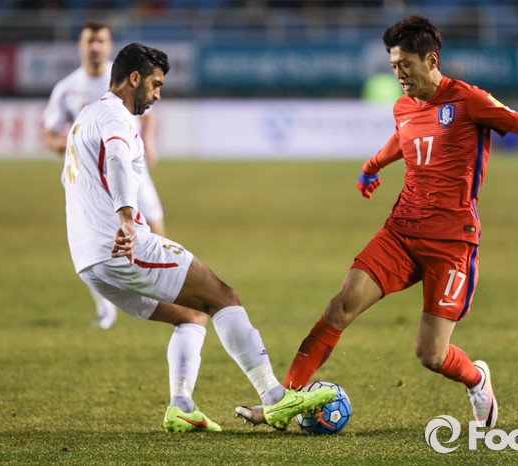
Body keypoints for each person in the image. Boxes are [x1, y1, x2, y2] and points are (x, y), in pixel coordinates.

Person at [235, 15, 518, 429]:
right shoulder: (403, 107)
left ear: (431, 60)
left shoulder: (469, 100)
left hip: (451, 242)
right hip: (401, 232)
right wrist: (371, 167)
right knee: (339, 307)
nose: (399, 74)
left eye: (405, 64)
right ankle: (282, 402)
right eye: (393, 65)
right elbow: (403, 139)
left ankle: (476, 379)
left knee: (431, 354)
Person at [61, 42, 336, 433]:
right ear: (134, 78)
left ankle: (182, 405)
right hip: (121, 245)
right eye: (156, 84)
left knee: (190, 316)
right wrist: (125, 219)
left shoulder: (87, 116)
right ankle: (275, 397)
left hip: (88, 260)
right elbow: (118, 158)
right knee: (222, 297)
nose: (158, 95)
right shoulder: (115, 116)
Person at [43, 20, 167, 329]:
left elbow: (148, 116)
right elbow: (49, 131)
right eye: (90, 41)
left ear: (109, 45)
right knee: (95, 235)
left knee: (155, 221)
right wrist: (64, 145)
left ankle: (160, 284)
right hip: (92, 173)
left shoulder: (125, 76)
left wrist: (150, 143)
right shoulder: (67, 88)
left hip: (129, 162)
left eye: (101, 41)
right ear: (81, 46)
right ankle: (106, 303)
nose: (96, 47)